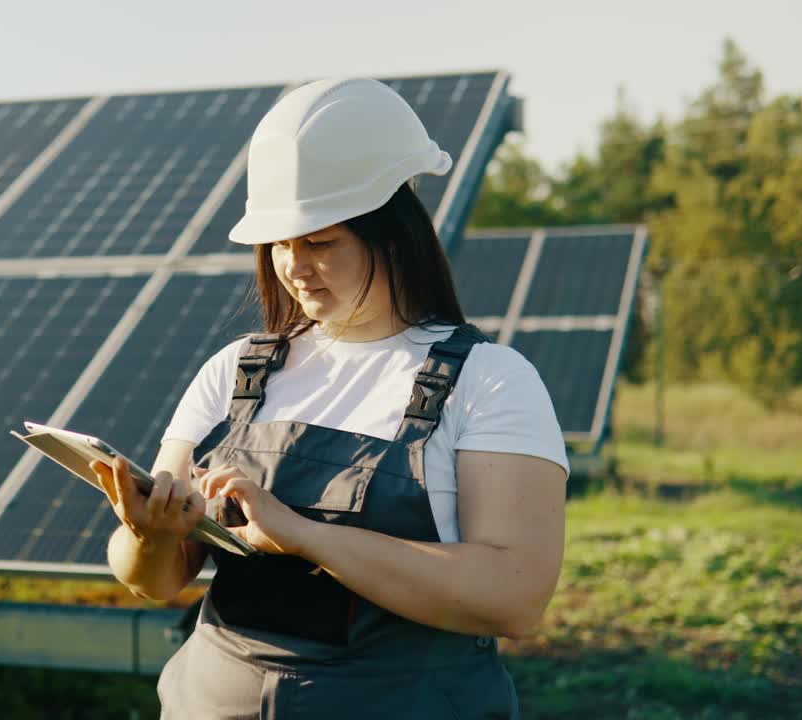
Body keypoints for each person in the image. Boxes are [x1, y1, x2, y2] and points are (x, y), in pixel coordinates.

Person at [89, 78, 568, 719]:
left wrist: (304, 536)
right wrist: (147, 536)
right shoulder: (236, 371)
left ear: (395, 236)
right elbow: (153, 579)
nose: (293, 265)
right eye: (281, 243)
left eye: (320, 242)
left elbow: (515, 597)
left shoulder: (490, 382)